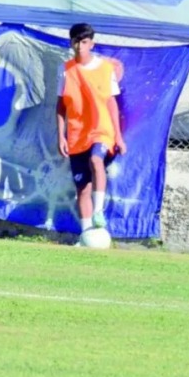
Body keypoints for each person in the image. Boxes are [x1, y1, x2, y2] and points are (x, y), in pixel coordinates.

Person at [56, 23, 126, 240]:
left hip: (101, 130)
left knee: (96, 161)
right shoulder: (65, 70)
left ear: (91, 43)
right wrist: (61, 135)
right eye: (76, 41)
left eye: (84, 42)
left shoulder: (105, 69)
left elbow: (112, 103)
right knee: (82, 189)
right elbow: (60, 106)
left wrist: (119, 137)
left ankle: (98, 212)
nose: (79, 46)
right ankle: (86, 236)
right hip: (77, 135)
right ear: (71, 43)